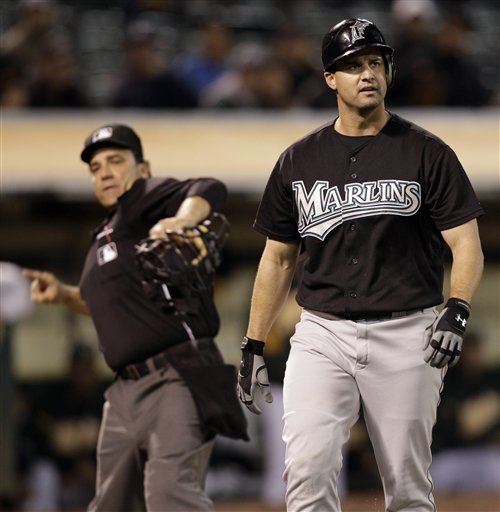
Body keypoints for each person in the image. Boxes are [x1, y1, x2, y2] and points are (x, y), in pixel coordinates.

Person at [237, 17, 484, 512]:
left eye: (375, 62)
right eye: (352, 66)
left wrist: (457, 308)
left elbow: (466, 243)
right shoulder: (298, 160)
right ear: (331, 79)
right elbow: (278, 258)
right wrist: (253, 343)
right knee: (306, 470)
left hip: (407, 332)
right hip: (322, 332)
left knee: (407, 486)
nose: (367, 73)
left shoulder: (427, 152)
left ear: (388, 72)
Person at [23, 123, 247, 512]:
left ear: (143, 169)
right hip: (124, 392)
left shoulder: (142, 200)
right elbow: (107, 308)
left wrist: (182, 219)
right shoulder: (104, 237)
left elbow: (208, 187)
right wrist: (64, 295)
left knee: (169, 493)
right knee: (111, 504)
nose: (105, 172)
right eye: (95, 168)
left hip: (177, 375)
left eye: (115, 161)